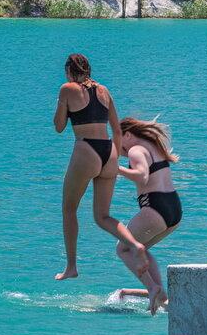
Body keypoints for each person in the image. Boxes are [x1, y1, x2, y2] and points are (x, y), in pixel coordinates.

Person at [53, 53, 149, 281]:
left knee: (69, 209)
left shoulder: (67, 89)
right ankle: (135, 244)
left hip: (86, 149)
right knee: (102, 216)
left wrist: (60, 104)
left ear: (69, 71)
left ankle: (71, 267)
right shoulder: (104, 90)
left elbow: (58, 126)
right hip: (108, 152)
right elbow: (117, 130)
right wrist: (114, 158)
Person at [116, 117, 183, 315]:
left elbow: (142, 175)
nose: (117, 147)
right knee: (140, 249)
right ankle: (161, 297)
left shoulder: (136, 149)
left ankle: (153, 289)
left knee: (124, 249)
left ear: (128, 135)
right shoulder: (153, 146)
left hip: (154, 207)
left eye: (117, 139)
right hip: (174, 209)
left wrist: (115, 169)